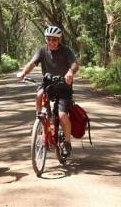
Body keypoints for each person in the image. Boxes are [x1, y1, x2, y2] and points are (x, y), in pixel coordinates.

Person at [15, 25, 79, 157]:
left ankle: (67, 143)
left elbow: (74, 64)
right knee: (39, 95)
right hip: (48, 84)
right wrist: (23, 73)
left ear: (59, 40)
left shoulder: (66, 51)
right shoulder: (42, 51)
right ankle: (40, 119)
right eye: (49, 39)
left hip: (64, 87)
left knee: (61, 115)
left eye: (54, 40)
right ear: (46, 39)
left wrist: (70, 72)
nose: (51, 42)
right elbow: (32, 63)